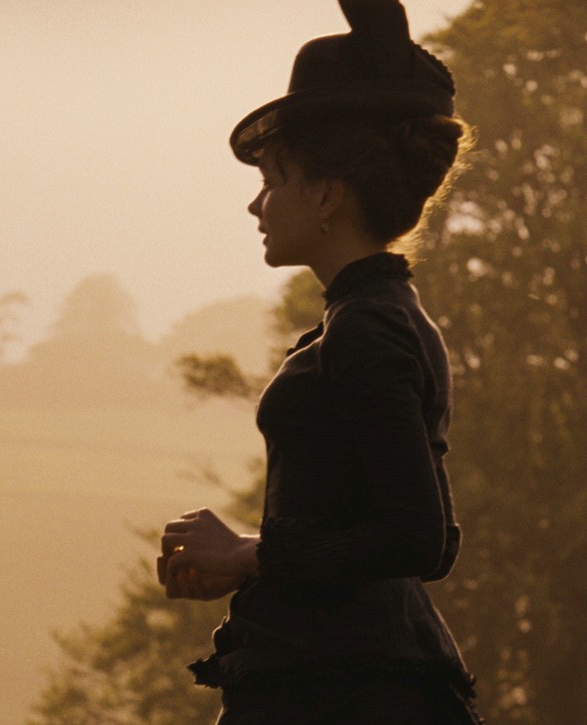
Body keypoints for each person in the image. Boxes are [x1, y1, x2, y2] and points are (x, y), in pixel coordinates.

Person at [155, 1, 482, 723]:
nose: (257, 203)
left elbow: (418, 537)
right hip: (343, 678)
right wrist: (247, 561)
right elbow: (420, 528)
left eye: (274, 177)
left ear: (328, 194)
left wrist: (248, 555)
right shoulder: (374, 318)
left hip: (342, 692)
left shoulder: (369, 328)